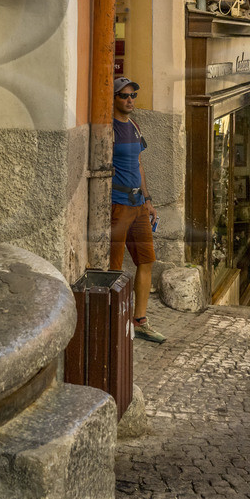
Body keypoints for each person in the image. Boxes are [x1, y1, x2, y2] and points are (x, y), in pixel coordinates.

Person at [108, 77, 164, 343]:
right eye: (124, 95)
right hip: (117, 204)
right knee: (114, 266)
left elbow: (139, 164)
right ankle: (112, 321)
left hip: (138, 204)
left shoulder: (133, 126)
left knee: (146, 260)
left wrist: (148, 200)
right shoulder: (108, 129)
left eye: (133, 95)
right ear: (113, 99)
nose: (130, 100)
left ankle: (140, 320)